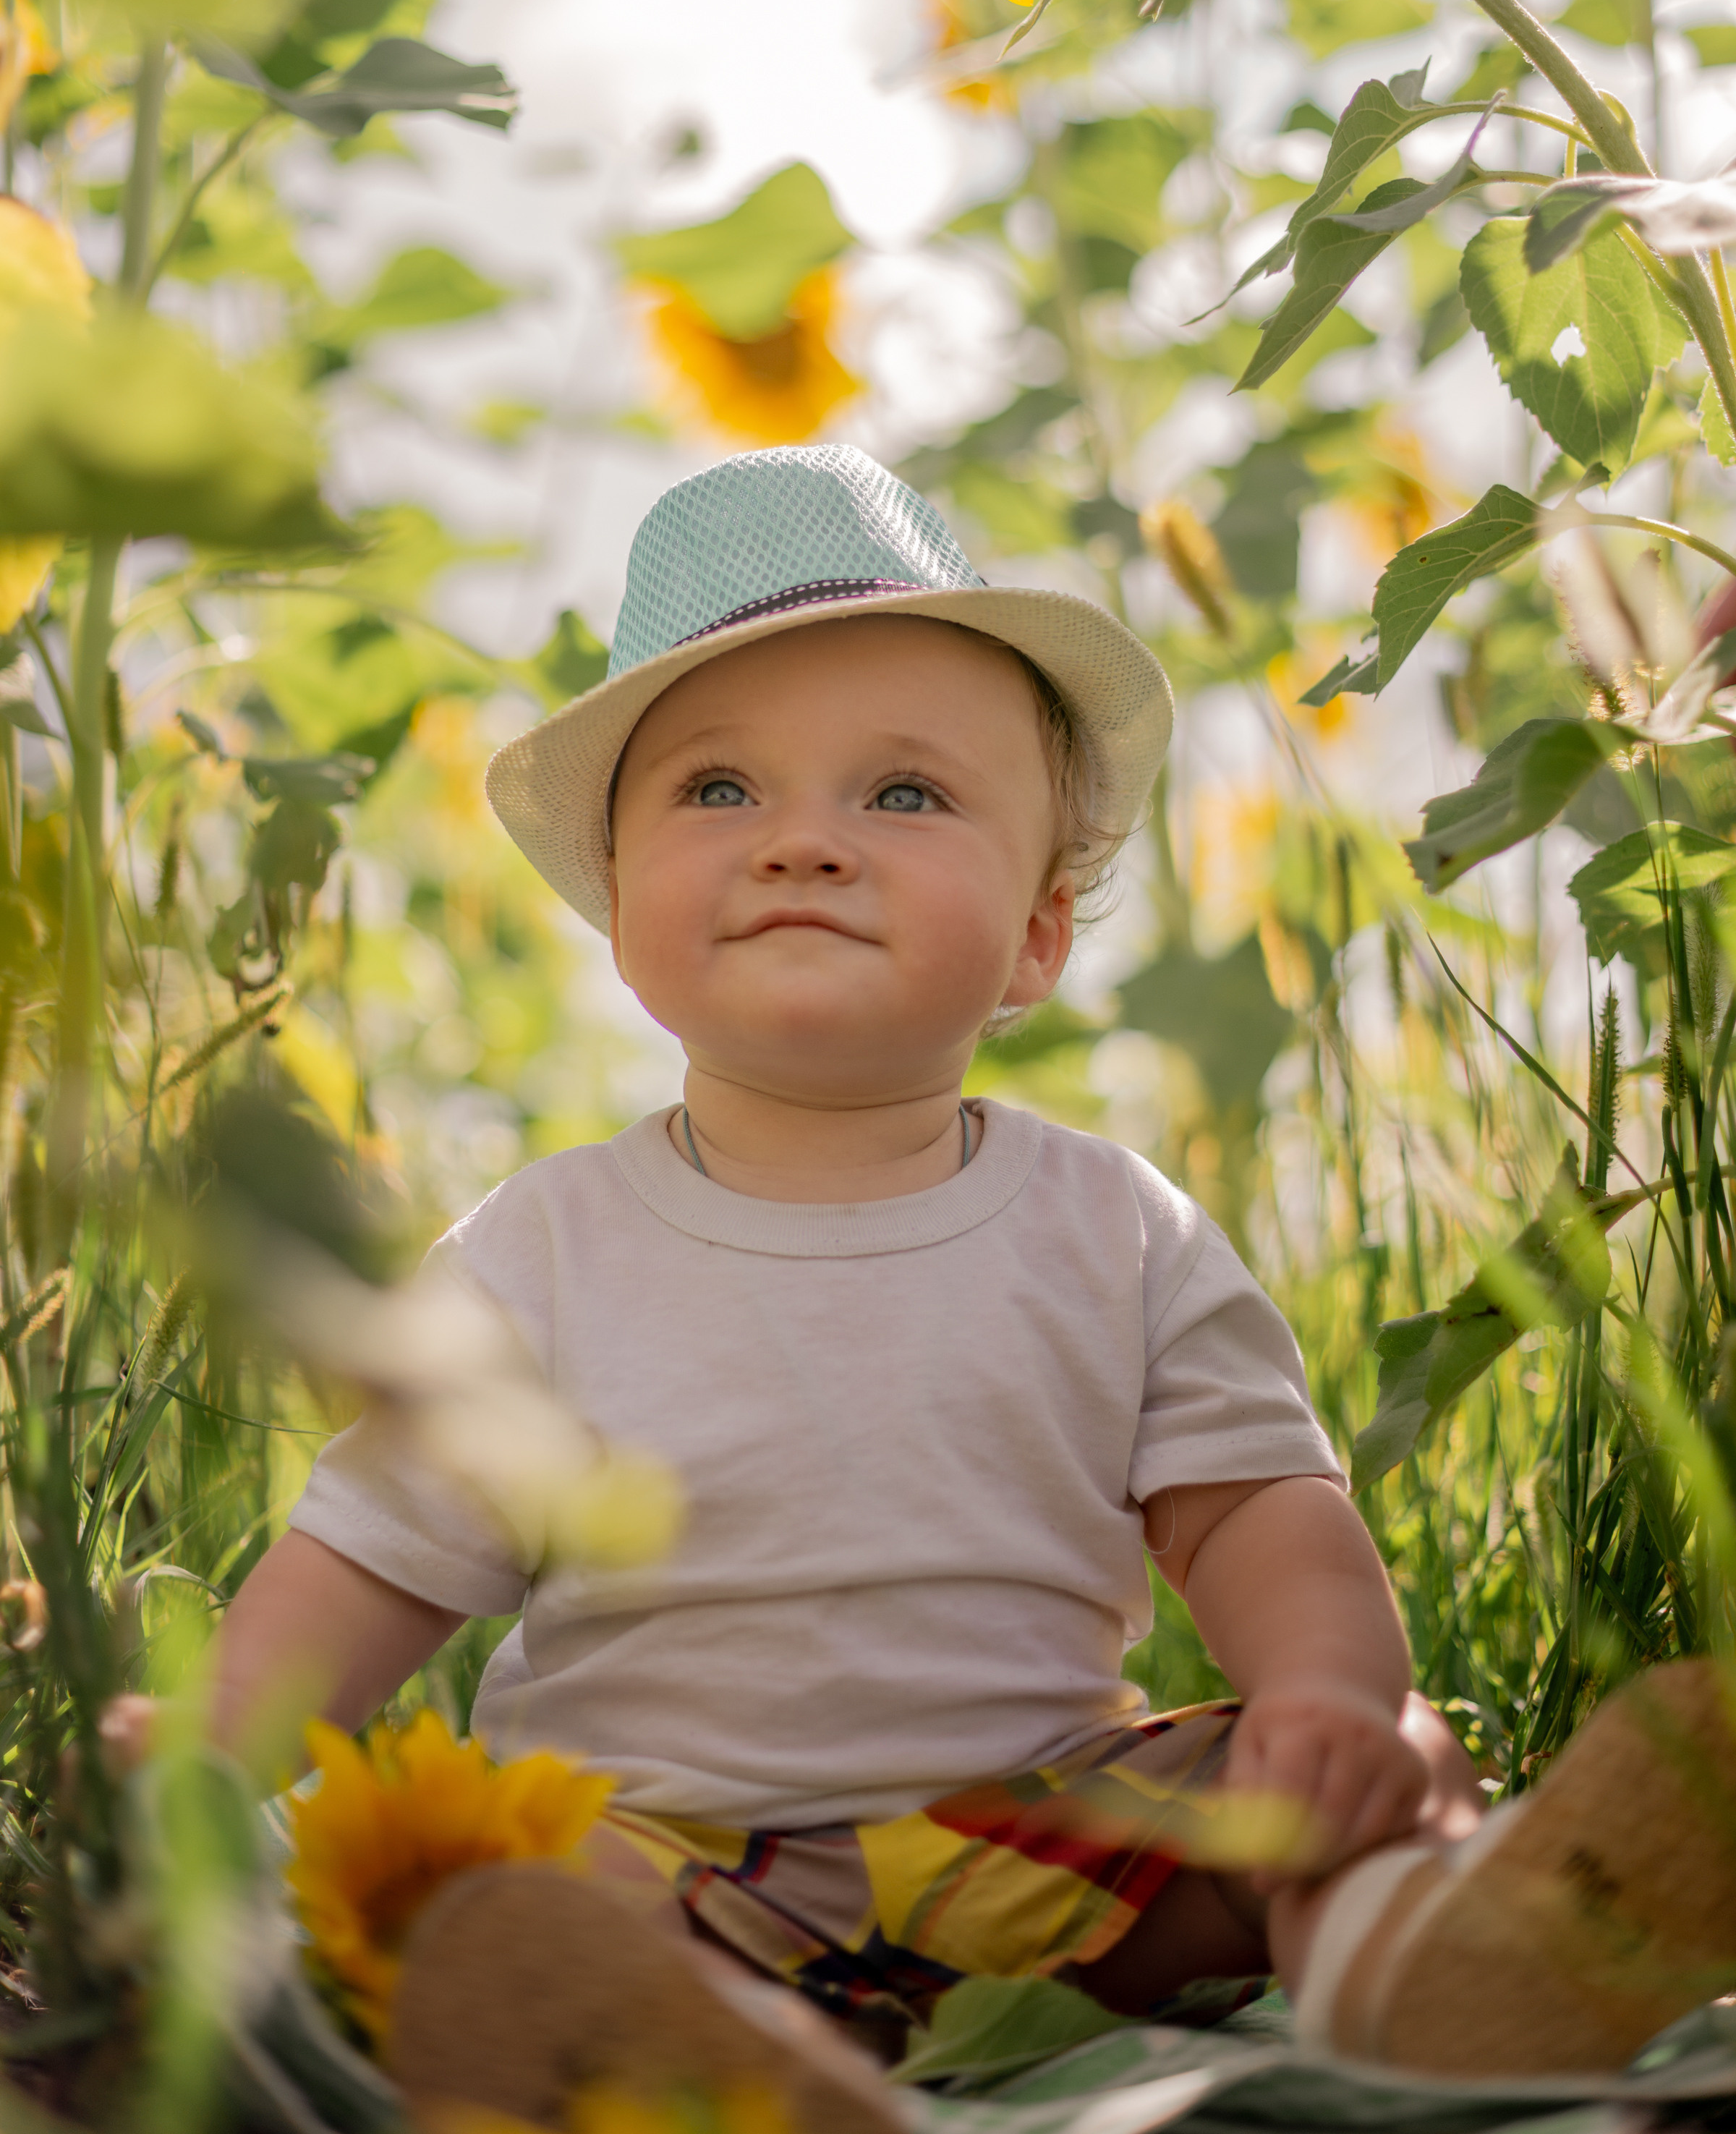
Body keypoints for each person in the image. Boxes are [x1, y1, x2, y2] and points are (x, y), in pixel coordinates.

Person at [129, 448, 1736, 2123]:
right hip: (661, 1857)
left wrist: (1328, 1695)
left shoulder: (1118, 1231)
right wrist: (207, 1756)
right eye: (718, 792)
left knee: (1373, 1771)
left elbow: (1257, 1510)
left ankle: (1428, 1975)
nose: (804, 845)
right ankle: (736, 2068)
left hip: (1041, 1852)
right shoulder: (537, 1258)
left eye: (902, 797)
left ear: (1040, 934)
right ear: (620, 912)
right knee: (476, 1899)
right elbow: (366, 1575)